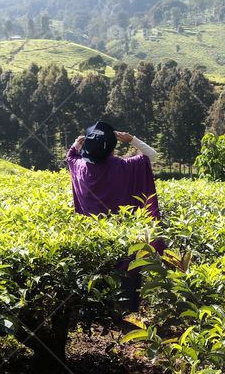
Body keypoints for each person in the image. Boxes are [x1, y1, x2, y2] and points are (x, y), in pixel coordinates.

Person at [66, 120, 162, 313]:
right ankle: (124, 312)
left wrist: (78, 142)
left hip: (92, 237)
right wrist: (131, 139)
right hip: (121, 237)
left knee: (95, 274)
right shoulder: (125, 166)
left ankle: (95, 312)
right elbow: (152, 155)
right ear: (111, 146)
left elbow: (70, 156)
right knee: (124, 271)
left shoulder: (80, 168)